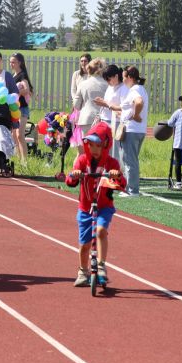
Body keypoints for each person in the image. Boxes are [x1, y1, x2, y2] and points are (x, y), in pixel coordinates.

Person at [65, 122, 126, 287]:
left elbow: (121, 183)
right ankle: (82, 271)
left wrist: (117, 176)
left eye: (98, 145)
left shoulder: (111, 163)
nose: (94, 149)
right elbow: (70, 180)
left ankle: (101, 265)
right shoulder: (82, 160)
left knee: (100, 231)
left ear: (106, 145)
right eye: (91, 145)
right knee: (84, 245)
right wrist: (75, 175)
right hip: (85, 208)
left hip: (104, 207)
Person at [119, 66, 149, 197]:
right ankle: (131, 188)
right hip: (139, 130)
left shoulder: (134, 90)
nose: (123, 80)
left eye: (124, 77)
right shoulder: (141, 89)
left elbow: (139, 102)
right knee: (132, 160)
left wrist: (136, 115)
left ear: (130, 78)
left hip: (131, 130)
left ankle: (132, 190)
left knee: (129, 161)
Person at [94, 64, 129, 160]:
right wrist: (102, 102)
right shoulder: (110, 87)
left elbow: (122, 108)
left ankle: (115, 170)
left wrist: (105, 104)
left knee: (115, 150)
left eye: (109, 79)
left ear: (116, 76)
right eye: (106, 80)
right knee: (104, 148)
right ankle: (106, 168)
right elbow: (107, 101)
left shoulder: (124, 88)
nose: (108, 82)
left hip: (116, 123)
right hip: (105, 120)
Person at [74, 58, 108, 154]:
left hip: (85, 120)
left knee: (84, 152)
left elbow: (76, 105)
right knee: (101, 152)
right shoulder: (107, 85)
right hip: (103, 121)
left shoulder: (83, 84)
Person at [9, 53, 34, 162]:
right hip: (13, 109)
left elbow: (27, 90)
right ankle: (18, 160)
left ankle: (25, 162)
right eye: (10, 62)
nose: (11, 64)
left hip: (22, 109)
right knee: (14, 135)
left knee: (20, 135)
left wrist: (16, 92)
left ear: (20, 63)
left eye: (13, 62)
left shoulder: (22, 75)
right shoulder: (12, 76)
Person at [69, 53, 92, 148]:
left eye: (85, 61)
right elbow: (73, 90)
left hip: (87, 104)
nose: (83, 63)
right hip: (78, 104)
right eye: (81, 61)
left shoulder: (92, 75)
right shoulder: (76, 74)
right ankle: (79, 144)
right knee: (77, 126)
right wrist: (76, 101)